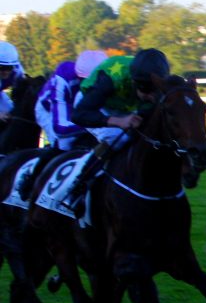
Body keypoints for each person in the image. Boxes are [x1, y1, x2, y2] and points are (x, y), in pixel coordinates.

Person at [60, 48, 171, 215]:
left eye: (156, 92)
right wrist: (118, 121)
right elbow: (79, 115)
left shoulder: (155, 80)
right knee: (117, 139)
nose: (152, 97)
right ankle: (77, 186)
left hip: (124, 106)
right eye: (148, 92)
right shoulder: (111, 78)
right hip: (94, 106)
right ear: (135, 83)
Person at [35, 50, 108, 151]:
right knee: (64, 145)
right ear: (79, 77)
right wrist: (93, 124)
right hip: (48, 110)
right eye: (88, 81)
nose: (91, 86)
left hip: (74, 104)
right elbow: (60, 129)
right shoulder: (63, 80)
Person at [0, 41, 26, 127]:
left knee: (10, 111)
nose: (6, 72)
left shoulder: (17, 72)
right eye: (2, 68)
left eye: (9, 68)